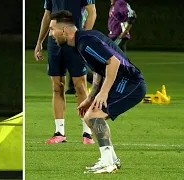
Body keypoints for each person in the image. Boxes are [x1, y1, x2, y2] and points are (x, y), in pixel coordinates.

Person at [49, 10, 146, 174]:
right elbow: (98, 71)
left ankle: (108, 164)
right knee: (89, 116)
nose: (51, 34)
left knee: (94, 117)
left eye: (52, 29)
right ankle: (110, 160)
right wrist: (91, 97)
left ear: (64, 30)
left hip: (130, 83)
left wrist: (104, 93)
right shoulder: (81, 43)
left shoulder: (85, 42)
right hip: (121, 82)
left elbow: (113, 63)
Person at [34, 0, 97, 144]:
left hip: (74, 39)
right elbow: (47, 14)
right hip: (55, 41)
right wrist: (39, 41)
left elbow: (92, 12)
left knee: (80, 86)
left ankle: (87, 134)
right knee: (57, 86)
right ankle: (59, 133)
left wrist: (82, 37)